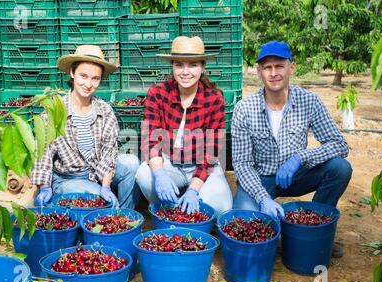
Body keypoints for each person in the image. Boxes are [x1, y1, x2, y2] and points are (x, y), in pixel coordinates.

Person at [232, 41, 352, 257]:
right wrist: (262, 197)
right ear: (259, 71)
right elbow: (242, 164)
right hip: (261, 179)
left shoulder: (308, 101)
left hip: (297, 176)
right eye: (267, 67)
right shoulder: (244, 109)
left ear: (291, 68)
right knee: (243, 221)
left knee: (340, 168)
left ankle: (315, 231)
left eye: (279, 66)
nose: (273, 73)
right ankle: (274, 226)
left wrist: (300, 157)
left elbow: (339, 144)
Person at [31, 45, 140, 209]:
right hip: (68, 178)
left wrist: (105, 185)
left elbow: (109, 152)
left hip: (96, 172)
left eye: (95, 78)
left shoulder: (105, 110)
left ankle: (123, 214)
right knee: (95, 197)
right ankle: (106, 211)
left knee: (131, 163)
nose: (88, 84)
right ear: (72, 73)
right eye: (83, 76)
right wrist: (44, 187)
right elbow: (44, 153)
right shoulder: (55, 111)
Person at [135, 36, 233, 215]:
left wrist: (194, 189)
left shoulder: (214, 99)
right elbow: (151, 139)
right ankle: (167, 209)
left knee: (221, 208)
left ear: (203, 67)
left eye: (193, 65)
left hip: (201, 164)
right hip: (169, 163)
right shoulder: (157, 93)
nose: (185, 71)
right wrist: (159, 174)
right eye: (179, 64)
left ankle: (191, 195)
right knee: (144, 174)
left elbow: (211, 152)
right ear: (172, 66)